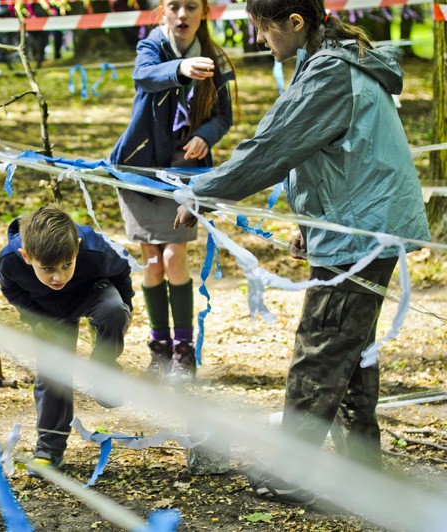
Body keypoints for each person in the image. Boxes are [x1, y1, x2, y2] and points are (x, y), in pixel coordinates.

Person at [174, 0, 430, 505]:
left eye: (262, 27)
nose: (257, 39)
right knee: (348, 349)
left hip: (363, 233)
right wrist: (312, 219)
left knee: (321, 348)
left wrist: (202, 193)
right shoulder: (329, 60)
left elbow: (273, 146)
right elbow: (333, 151)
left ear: (295, 23)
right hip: (359, 223)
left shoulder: (331, 71)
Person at [109, 0, 235, 382]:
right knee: (151, 259)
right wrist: (180, 69)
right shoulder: (151, 47)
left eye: (191, 7)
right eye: (174, 7)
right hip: (140, 169)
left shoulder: (217, 59)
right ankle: (159, 348)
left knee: (174, 256)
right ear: (163, 12)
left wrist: (204, 136)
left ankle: (184, 352)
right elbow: (144, 76)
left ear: (203, 14)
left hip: (184, 175)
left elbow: (223, 117)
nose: (182, 15)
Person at [0, 205, 134, 473]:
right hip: (48, 311)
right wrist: (35, 318)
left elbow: (122, 268)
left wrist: (127, 305)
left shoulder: (96, 251)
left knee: (114, 311)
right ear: (26, 257)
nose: (58, 276)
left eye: (66, 265)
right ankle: (49, 450)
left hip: (91, 293)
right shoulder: (10, 261)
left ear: (78, 248)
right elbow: (10, 290)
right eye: (47, 269)